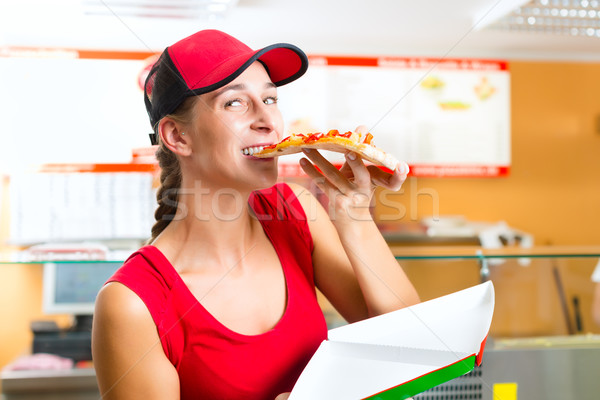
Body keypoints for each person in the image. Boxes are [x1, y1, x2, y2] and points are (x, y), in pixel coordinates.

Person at [91, 29, 419, 400]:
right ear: (178, 137)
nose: (269, 120)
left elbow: (414, 346)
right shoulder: (133, 303)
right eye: (235, 103)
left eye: (270, 98)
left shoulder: (295, 213)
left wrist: (354, 213)